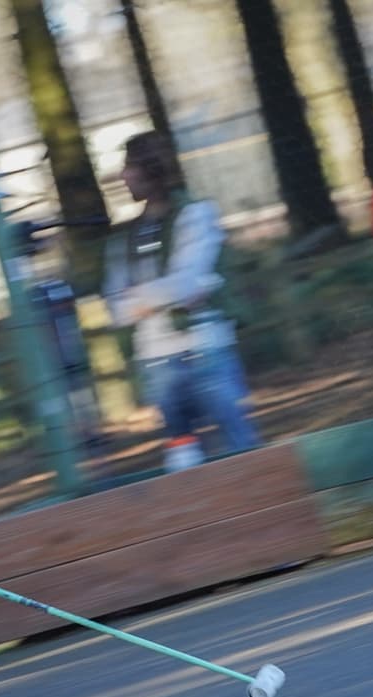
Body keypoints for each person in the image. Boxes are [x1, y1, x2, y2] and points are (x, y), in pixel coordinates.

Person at [102, 131, 262, 472]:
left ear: (152, 169)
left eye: (130, 167)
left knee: (240, 446)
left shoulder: (196, 215)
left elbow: (186, 283)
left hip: (205, 350)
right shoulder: (124, 237)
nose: (124, 176)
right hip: (156, 360)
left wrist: (146, 298)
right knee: (182, 459)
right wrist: (171, 293)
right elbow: (116, 305)